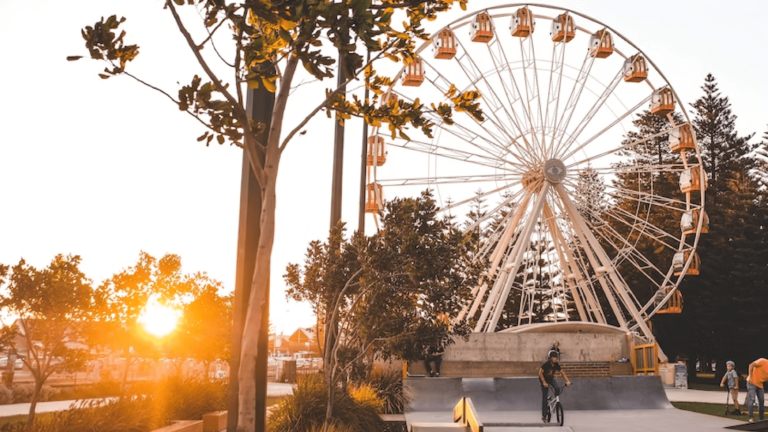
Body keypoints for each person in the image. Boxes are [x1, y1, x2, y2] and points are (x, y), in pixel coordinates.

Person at [539, 349, 571, 422]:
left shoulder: (556, 365)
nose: (555, 359)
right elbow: (540, 373)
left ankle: (556, 401)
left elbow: (562, 372)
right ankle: (544, 415)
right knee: (544, 397)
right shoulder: (546, 364)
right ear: (550, 358)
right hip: (543, 379)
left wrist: (567, 381)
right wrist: (544, 382)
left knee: (557, 388)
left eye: (556, 357)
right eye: (554, 357)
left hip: (550, 379)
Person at [746, 358, 767, 423]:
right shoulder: (763, 361)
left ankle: (761, 419)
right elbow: (751, 365)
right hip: (752, 382)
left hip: (760, 384)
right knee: (752, 399)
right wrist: (750, 376)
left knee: (761, 400)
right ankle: (751, 418)